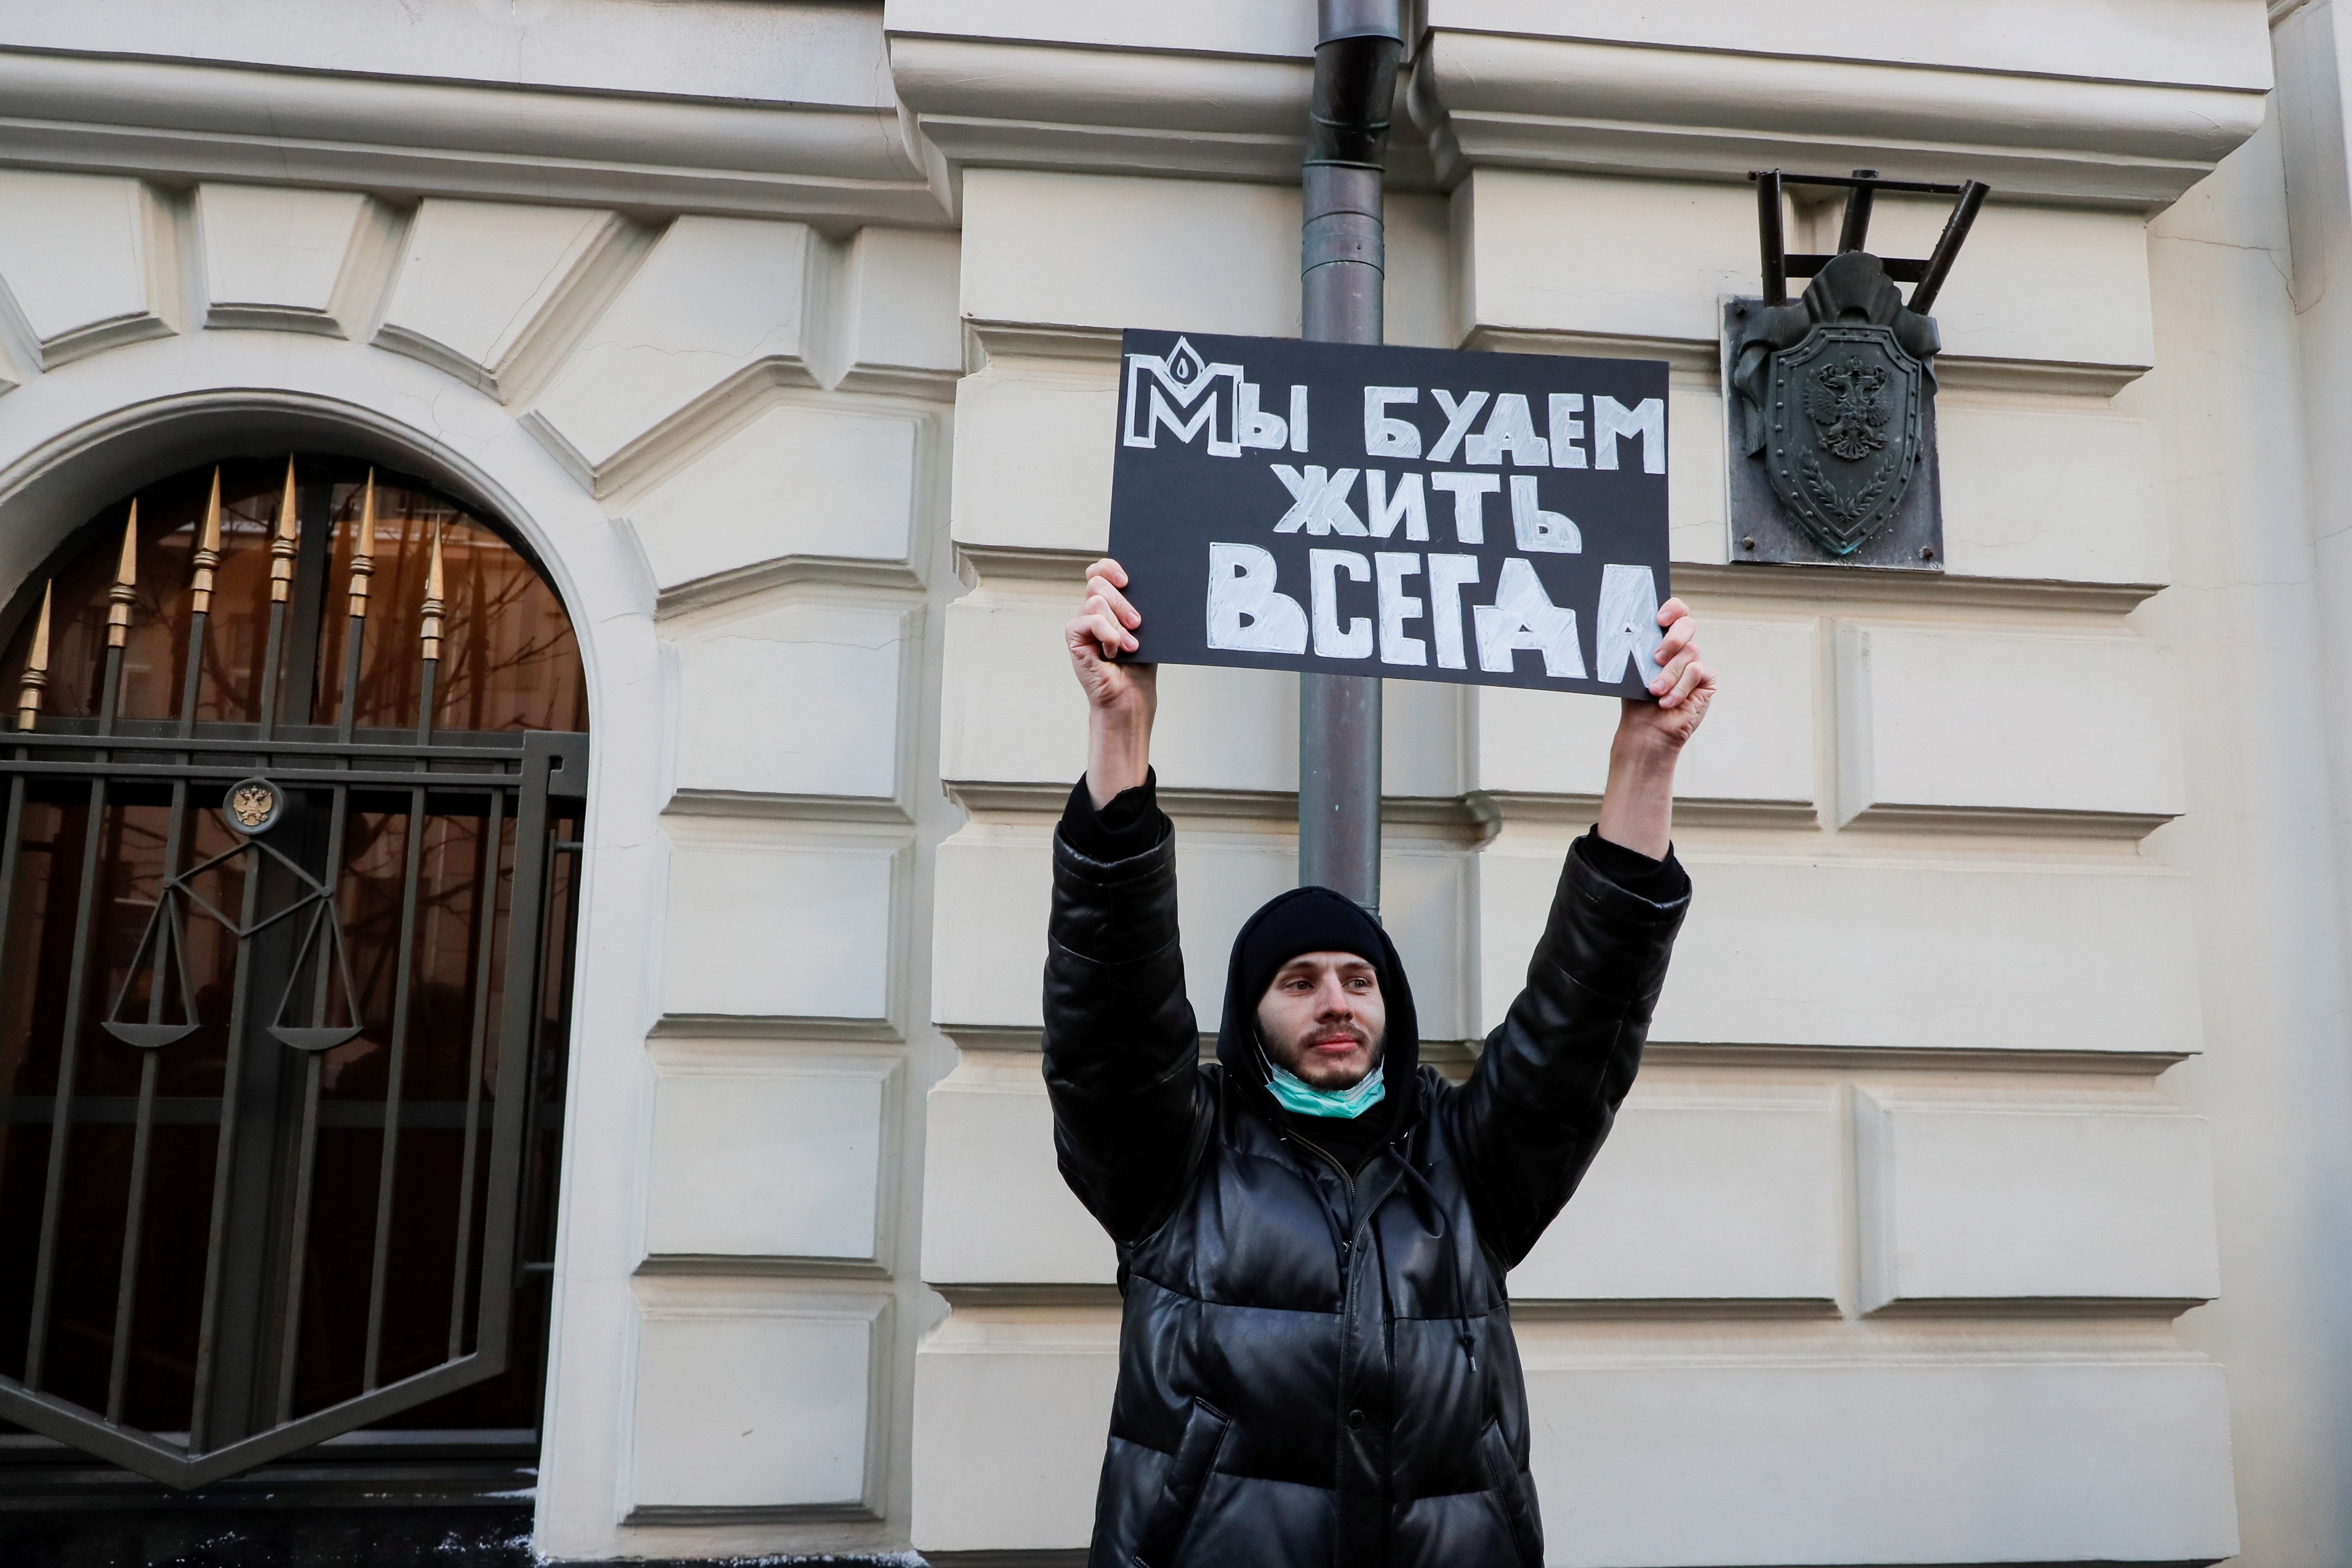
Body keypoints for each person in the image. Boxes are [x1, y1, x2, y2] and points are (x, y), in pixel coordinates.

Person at [1046, 556, 1715, 1568]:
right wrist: (1119, 733)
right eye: (1299, 979)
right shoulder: (1176, 1159)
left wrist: (1646, 763)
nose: (1333, 1001)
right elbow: (1110, 1011)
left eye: (1358, 978)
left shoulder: (1464, 1160)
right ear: (1249, 1012)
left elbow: (1580, 1022)